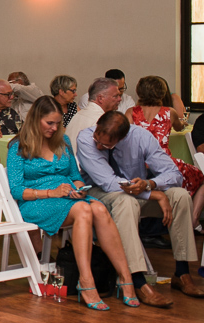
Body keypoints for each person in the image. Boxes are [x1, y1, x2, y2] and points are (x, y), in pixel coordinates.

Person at [6, 97, 137, 310]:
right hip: (37, 201)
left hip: (68, 197)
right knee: (85, 210)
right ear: (35, 119)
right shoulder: (18, 146)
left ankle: (125, 277)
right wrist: (50, 192)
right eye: (49, 123)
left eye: (58, 123)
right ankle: (86, 281)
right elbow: (17, 190)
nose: (54, 127)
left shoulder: (63, 140)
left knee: (99, 209)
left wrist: (78, 188)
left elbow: (76, 176)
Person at [77, 111, 204, 308]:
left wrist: (151, 184)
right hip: (101, 192)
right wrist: (153, 194)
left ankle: (182, 272)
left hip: (138, 190)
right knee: (125, 202)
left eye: (107, 145)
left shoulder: (140, 136)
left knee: (180, 196)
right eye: (98, 140)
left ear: (122, 138)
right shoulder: (86, 138)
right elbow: (109, 182)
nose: (99, 146)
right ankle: (137, 281)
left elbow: (174, 174)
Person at [126, 75, 204, 222]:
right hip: (163, 163)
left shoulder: (131, 112)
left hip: (138, 162)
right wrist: (182, 124)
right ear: (162, 93)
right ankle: (187, 217)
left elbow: (124, 134)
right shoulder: (169, 112)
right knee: (198, 175)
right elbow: (179, 127)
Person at [65, 77, 121, 151]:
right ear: (100, 98)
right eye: (115, 96)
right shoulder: (100, 121)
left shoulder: (78, 115)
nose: (120, 99)